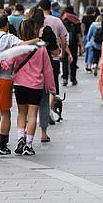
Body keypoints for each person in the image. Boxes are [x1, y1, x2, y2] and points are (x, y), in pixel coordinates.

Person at [0, 14, 38, 157]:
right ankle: (2, 146)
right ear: (6, 25)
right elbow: (23, 45)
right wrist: (36, 39)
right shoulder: (9, 38)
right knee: (4, 113)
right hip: (4, 79)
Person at [1, 18, 56, 156]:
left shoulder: (17, 48)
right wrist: (51, 88)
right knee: (32, 115)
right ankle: (28, 145)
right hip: (36, 85)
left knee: (21, 113)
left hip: (19, 84)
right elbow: (48, 70)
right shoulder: (41, 48)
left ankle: (20, 138)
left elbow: (7, 64)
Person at [27, 7, 59, 140]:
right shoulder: (47, 31)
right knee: (44, 102)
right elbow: (55, 52)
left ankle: (25, 134)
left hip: (27, 71)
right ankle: (43, 133)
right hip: (44, 68)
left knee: (27, 104)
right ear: (43, 19)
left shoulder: (25, 32)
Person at [61, 6, 84, 86]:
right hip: (74, 43)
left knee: (64, 61)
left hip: (64, 44)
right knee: (73, 61)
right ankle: (73, 78)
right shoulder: (76, 20)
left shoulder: (62, 19)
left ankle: (65, 78)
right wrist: (81, 46)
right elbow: (79, 35)